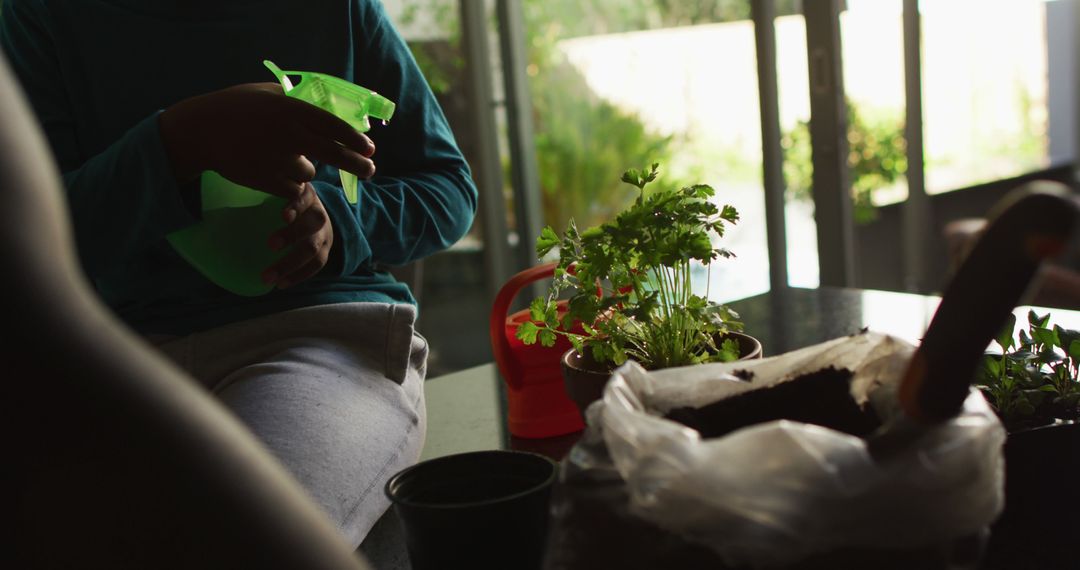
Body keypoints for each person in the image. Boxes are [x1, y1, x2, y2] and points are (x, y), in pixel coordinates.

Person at [0, 0, 478, 548]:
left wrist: (341, 224)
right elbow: (32, 241)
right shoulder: (42, 18)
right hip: (116, 357)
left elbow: (447, 187)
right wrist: (177, 142)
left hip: (321, 340)